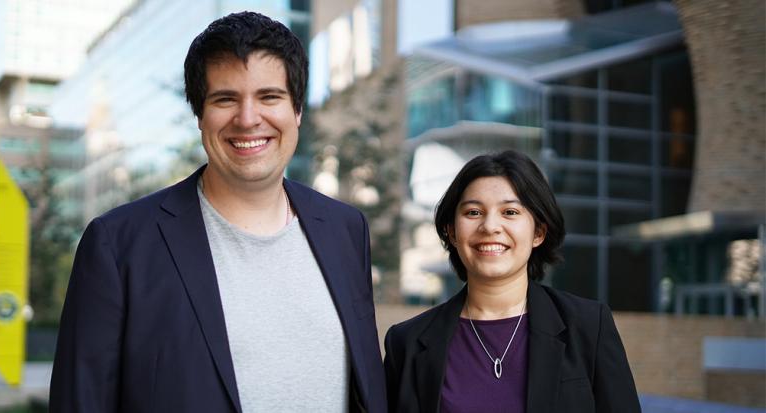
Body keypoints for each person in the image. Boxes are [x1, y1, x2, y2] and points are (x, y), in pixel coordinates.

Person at [50, 12, 387, 413]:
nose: (247, 119)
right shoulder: (118, 245)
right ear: (200, 115)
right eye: (225, 99)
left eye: (269, 97)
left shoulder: (346, 230)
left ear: (297, 110)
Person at [383, 150, 640, 413]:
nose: (490, 226)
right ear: (451, 231)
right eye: (473, 212)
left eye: (510, 212)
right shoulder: (407, 343)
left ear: (539, 231)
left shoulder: (587, 326)